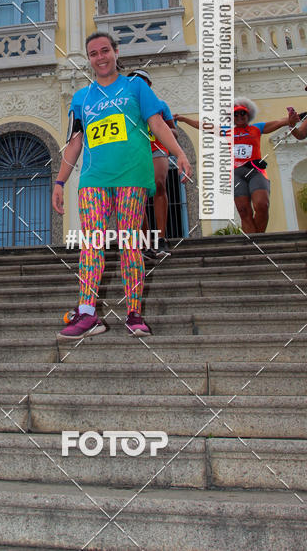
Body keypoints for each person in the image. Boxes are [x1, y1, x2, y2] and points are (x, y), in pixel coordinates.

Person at [53, 32, 191, 339]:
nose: (100, 57)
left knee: (130, 244)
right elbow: (75, 142)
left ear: (116, 52)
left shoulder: (136, 87)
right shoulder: (81, 97)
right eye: (93, 53)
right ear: (88, 59)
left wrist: (179, 153)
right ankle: (88, 314)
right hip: (93, 179)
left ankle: (134, 313)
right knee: (92, 244)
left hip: (131, 176)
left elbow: (157, 124)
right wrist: (60, 181)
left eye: (105, 50)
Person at [176, 98, 290, 233]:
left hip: (255, 171)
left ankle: (258, 238)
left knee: (262, 205)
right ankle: (254, 243)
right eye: (236, 114)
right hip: (237, 174)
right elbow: (203, 125)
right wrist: (184, 119)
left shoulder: (257, 128)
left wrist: (295, 117)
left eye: (243, 113)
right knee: (243, 210)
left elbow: (280, 122)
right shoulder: (227, 131)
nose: (240, 116)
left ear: (248, 115)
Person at [128, 69, 178, 258]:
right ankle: (145, 242)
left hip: (157, 149)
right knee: (136, 196)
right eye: (134, 81)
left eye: (142, 81)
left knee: (159, 185)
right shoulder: (126, 107)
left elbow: (174, 132)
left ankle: (161, 238)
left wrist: (161, 129)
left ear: (148, 85)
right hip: (135, 154)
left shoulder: (160, 105)